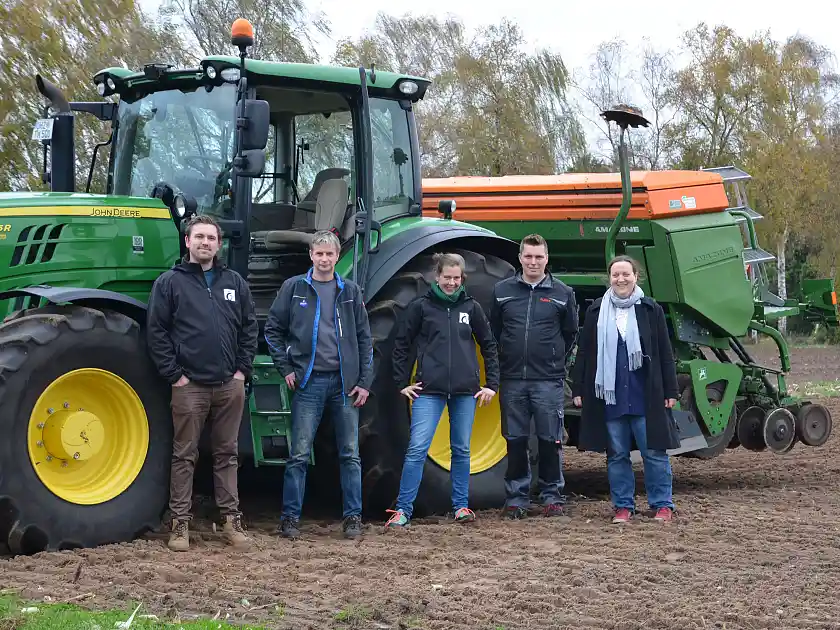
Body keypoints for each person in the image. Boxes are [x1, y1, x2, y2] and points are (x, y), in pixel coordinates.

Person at [146, 214, 259, 552]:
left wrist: (242, 371)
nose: (205, 243)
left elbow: (249, 328)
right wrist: (176, 376)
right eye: (199, 237)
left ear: (218, 244)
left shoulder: (234, 282)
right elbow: (157, 333)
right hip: (189, 386)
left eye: (211, 238)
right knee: (184, 455)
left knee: (227, 454)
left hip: (229, 385)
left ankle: (231, 522)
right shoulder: (169, 283)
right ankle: (180, 525)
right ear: (187, 242)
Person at [264, 230, 373, 540]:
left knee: (350, 453)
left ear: (338, 257)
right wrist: (285, 367)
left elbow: (365, 339)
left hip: (344, 384)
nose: (324, 259)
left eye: (330, 254)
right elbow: (273, 330)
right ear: (311, 256)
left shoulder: (350, 291)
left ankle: (353, 518)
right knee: (298, 454)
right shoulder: (294, 288)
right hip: (308, 381)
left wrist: (364, 382)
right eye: (319, 254)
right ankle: (290, 519)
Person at [385, 253, 500, 529]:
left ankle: (460, 506)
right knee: (417, 449)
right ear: (437, 276)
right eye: (446, 277)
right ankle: (402, 509)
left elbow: (489, 346)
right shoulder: (421, 307)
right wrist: (402, 382)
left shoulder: (471, 308)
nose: (451, 282)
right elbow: (401, 345)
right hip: (429, 391)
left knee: (461, 449)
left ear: (462, 279)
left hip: (465, 392)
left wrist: (491, 385)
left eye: (456, 278)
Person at [571, 254, 680, 524]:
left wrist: (671, 391)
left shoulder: (650, 309)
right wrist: (578, 388)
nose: (620, 279)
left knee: (653, 452)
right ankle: (623, 506)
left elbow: (665, 352)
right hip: (610, 397)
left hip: (645, 394)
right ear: (609, 278)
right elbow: (584, 353)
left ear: (636, 277)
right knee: (617, 454)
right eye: (615, 275)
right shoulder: (597, 310)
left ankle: (662, 504)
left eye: (626, 274)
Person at [490, 233, 578, 520]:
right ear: (520, 258)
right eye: (528, 256)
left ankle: (552, 496)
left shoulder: (562, 293)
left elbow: (570, 333)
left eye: (539, 257)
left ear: (547, 259)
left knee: (549, 439)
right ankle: (517, 497)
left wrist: (554, 363)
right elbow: (495, 330)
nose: (533, 262)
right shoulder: (502, 291)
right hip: (513, 378)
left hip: (547, 380)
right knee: (515, 440)